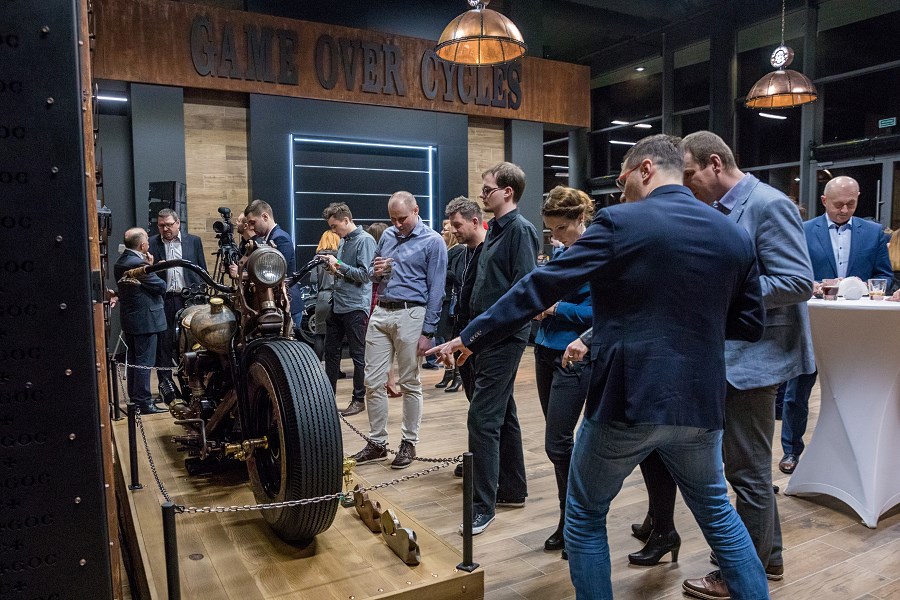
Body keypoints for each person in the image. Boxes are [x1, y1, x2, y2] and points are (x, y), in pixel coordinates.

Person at [429, 134, 768, 600]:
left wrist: (469, 336)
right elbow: (750, 324)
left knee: (586, 516)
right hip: (700, 403)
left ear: (646, 169)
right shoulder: (732, 233)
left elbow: (537, 287)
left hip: (627, 400)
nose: (621, 190)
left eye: (623, 180)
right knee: (719, 516)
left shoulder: (619, 222)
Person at [652, 130, 812, 599]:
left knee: (748, 474)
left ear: (715, 164)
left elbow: (797, 281)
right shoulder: (720, 208)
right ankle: (769, 557)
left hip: (756, 360)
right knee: (745, 469)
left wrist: (718, 288)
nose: (685, 185)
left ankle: (741, 576)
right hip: (731, 357)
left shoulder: (768, 203)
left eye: (689, 175)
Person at [778, 176, 893, 475]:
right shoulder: (803, 231)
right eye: (838, 204)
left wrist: (859, 286)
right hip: (810, 323)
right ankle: (791, 451)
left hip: (855, 326)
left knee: (856, 390)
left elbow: (885, 276)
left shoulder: (873, 232)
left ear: (858, 198)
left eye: (850, 204)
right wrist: (811, 285)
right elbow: (791, 273)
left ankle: (855, 454)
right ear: (824, 201)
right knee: (797, 392)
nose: (844, 210)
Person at [457, 161, 540, 535]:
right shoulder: (494, 231)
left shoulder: (520, 231)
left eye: (488, 189)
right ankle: (512, 489)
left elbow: (524, 292)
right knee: (503, 414)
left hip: (504, 338)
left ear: (508, 191)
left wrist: (481, 334)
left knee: (482, 418)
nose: (482, 194)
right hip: (485, 337)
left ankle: (482, 507)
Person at [350, 192, 447, 469]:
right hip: (382, 310)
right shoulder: (387, 235)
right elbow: (372, 273)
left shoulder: (433, 241)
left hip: (412, 312)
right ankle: (377, 442)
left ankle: (409, 443)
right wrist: (376, 271)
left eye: (402, 218)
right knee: (372, 381)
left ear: (416, 210)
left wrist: (429, 331)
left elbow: (437, 290)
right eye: (392, 218)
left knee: (409, 382)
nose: (397, 224)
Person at [532, 186, 593, 557]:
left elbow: (601, 313)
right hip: (544, 350)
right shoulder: (562, 253)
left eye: (560, 228)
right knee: (559, 444)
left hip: (575, 356)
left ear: (580, 219)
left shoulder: (596, 253)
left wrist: (556, 309)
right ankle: (567, 519)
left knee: (558, 443)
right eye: (551, 229)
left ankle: (575, 523)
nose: (555, 236)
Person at [317, 203, 376, 417]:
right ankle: (328, 399)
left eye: (335, 226)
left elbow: (365, 276)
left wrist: (339, 264)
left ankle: (358, 400)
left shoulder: (365, 240)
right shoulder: (344, 240)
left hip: (355, 306)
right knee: (330, 353)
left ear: (346, 220)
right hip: (338, 303)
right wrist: (333, 268)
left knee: (357, 355)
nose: (333, 231)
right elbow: (346, 272)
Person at [444, 197, 487, 478]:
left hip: (483, 340)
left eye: (457, 225)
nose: (453, 230)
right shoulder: (461, 254)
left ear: (474, 221)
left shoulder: (489, 252)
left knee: (485, 413)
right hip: (464, 337)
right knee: (476, 407)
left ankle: (485, 467)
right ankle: (479, 461)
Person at [148, 208, 207, 404]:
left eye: (169, 225)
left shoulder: (194, 241)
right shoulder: (151, 243)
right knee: (164, 344)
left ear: (178, 223)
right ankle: (166, 388)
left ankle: (192, 386)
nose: (165, 229)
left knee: (190, 343)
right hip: (163, 300)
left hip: (189, 299)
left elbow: (202, 270)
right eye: (161, 225)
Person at [115, 227, 168, 414]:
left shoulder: (122, 261)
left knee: (135, 361)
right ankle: (143, 402)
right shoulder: (137, 264)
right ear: (143, 245)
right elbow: (160, 286)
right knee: (144, 362)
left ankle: (135, 400)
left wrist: (149, 265)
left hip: (131, 318)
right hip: (146, 320)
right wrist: (151, 267)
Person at [244, 199, 304, 329]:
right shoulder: (270, 238)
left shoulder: (280, 238)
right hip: (277, 304)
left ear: (265, 217)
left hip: (287, 304)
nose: (251, 228)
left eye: (253, 222)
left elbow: (274, 273)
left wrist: (243, 274)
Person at [434, 219, 465, 389]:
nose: (442, 232)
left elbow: (456, 276)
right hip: (444, 299)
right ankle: (449, 374)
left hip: (451, 300)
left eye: (445, 230)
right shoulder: (447, 250)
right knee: (446, 339)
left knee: (451, 339)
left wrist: (438, 268)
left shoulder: (458, 250)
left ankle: (457, 376)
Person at [312, 230, 340, 359]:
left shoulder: (317, 258)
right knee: (336, 335)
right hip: (339, 297)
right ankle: (334, 367)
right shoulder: (340, 257)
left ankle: (317, 366)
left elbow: (313, 279)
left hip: (323, 297)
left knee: (319, 333)